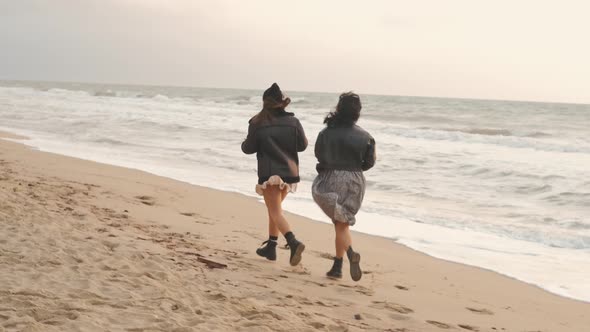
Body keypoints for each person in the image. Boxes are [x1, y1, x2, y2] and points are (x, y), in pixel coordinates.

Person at [312, 92, 376, 281]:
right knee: (342, 223)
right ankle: (338, 266)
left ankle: (348, 254)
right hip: (356, 180)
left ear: (339, 109)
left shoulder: (326, 133)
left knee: (340, 223)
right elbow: (369, 163)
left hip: (331, 177)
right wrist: (355, 169)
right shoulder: (366, 136)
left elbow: (319, 155)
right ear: (358, 112)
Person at [241, 83, 308, 266]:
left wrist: (244, 142)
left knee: (275, 211)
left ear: (264, 102)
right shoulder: (294, 122)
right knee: (274, 211)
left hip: (270, 173)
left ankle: (293, 242)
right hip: (289, 173)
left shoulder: (257, 122)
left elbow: (248, 149)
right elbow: (302, 146)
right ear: (281, 102)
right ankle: (271, 246)